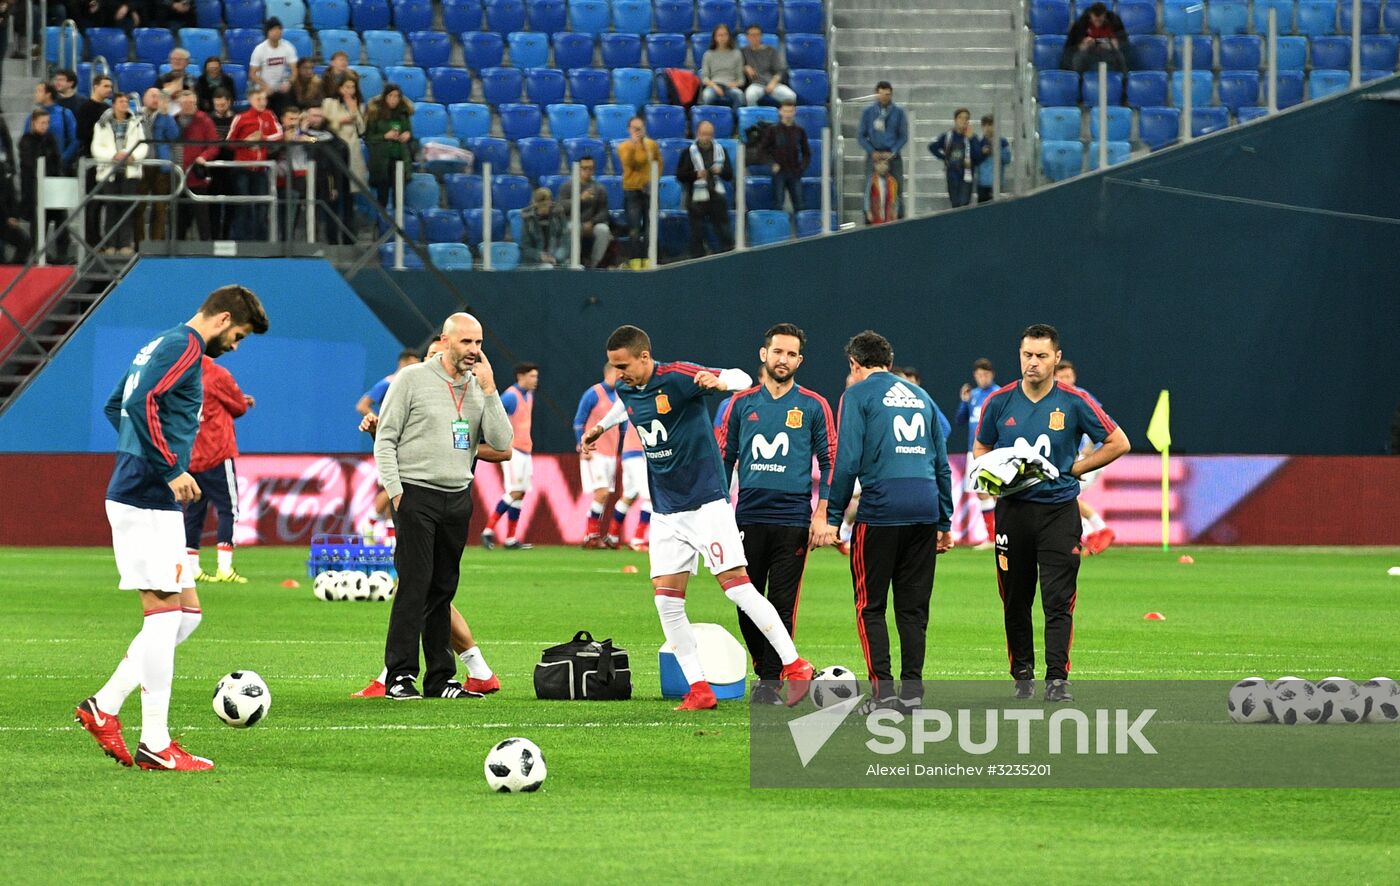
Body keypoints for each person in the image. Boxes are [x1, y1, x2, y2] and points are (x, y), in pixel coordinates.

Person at [75, 285, 269, 772]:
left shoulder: (161, 343)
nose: (236, 346)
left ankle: (104, 705)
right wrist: (167, 466)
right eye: (239, 336)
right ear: (223, 319)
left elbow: (115, 402)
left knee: (186, 615)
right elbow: (139, 402)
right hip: (145, 494)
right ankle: (156, 744)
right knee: (163, 616)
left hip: (148, 493)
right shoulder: (185, 345)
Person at [581, 325, 816, 711]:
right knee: (666, 602)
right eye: (612, 366)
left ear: (645, 357)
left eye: (623, 364)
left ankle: (795, 664)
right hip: (666, 510)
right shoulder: (626, 386)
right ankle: (699, 689)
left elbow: (739, 378)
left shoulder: (677, 376)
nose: (617, 373)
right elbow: (624, 405)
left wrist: (718, 381)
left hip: (706, 501)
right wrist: (600, 428)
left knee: (738, 588)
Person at [973, 324, 1130, 702]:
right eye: (1027, 355)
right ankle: (1022, 674)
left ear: (1056, 358)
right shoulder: (999, 402)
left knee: (1058, 599)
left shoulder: (1075, 402)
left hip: (1059, 512)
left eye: (1042, 356)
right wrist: (995, 473)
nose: (1033, 363)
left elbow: (1119, 442)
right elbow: (980, 449)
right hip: (1013, 512)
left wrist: (1078, 468)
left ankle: (1057, 678)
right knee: (1015, 598)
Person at [373, 313, 512, 700]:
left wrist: (491, 390)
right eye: (467, 342)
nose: (474, 351)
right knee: (414, 587)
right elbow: (385, 440)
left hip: (458, 497)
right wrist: (396, 492)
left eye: (479, 343)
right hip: (416, 494)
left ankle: (440, 679)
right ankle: (399, 676)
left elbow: (502, 442)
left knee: (443, 590)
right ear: (445, 341)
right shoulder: (411, 379)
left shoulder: (478, 387)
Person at [825, 330, 954, 709]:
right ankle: (912, 694)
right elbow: (942, 465)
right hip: (925, 509)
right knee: (913, 609)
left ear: (854, 364)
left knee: (870, 606)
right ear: (890, 362)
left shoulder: (857, 394)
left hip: (882, 510)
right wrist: (944, 522)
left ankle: (883, 696)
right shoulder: (922, 397)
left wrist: (834, 517)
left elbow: (847, 459)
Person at [717, 323, 834, 704]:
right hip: (748, 515)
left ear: (799, 360)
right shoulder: (741, 404)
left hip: (793, 520)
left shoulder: (814, 405)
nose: (783, 359)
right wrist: (717, 513)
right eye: (777, 352)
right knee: (744, 599)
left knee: (782, 602)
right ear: (763, 354)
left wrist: (822, 514)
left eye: (791, 354)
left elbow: (830, 461)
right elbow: (725, 459)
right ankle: (766, 667)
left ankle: (769, 682)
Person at [183, 354, 254, 583]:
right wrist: (242, 401)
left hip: (191, 454)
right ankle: (225, 568)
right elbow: (239, 407)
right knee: (228, 510)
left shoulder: (182, 376)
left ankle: (192, 568)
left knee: (194, 511)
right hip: (216, 452)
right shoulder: (217, 374)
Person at [1054, 360, 1116, 555]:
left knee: (1064, 494)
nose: (1065, 380)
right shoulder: (1057, 398)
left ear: (1074, 377)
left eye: (1068, 376)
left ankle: (1098, 531)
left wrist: (1089, 447)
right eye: (1061, 376)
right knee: (1065, 497)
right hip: (1075, 457)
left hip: (1090, 457)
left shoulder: (1082, 396)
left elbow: (1100, 421)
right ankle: (1089, 535)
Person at [482, 363, 539, 550]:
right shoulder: (510, 396)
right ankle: (488, 531)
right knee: (514, 491)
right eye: (532, 376)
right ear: (520, 376)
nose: (535, 380)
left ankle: (510, 538)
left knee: (520, 493)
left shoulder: (528, 395)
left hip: (525, 450)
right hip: (513, 451)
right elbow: (495, 417)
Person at [89, 92, 147, 254]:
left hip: (130, 172)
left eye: (126, 102)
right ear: (113, 104)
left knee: (127, 209)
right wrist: (113, 156)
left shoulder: (136, 123)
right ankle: (111, 244)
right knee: (111, 208)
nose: (124, 104)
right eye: (121, 102)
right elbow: (96, 148)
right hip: (109, 172)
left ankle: (125, 244)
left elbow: (143, 145)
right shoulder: (101, 124)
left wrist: (132, 155)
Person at [573, 364, 623, 548]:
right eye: (618, 373)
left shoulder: (620, 396)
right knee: (601, 492)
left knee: (605, 495)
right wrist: (581, 444)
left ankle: (594, 534)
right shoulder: (593, 393)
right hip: (594, 451)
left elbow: (622, 427)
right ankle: (590, 535)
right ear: (610, 373)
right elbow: (579, 421)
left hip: (611, 453)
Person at [227, 85, 283, 241]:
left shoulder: (269, 115)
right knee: (243, 205)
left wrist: (263, 139)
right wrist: (246, 142)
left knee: (262, 206)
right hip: (242, 168)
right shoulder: (241, 118)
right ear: (250, 100)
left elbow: (279, 134)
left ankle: (261, 242)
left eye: (264, 99)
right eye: (259, 99)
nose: (262, 102)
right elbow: (229, 143)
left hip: (260, 169)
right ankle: (240, 241)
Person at [955, 357, 999, 548]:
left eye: (986, 374)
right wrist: (964, 402)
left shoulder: (998, 394)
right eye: (979, 374)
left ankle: (1003, 535)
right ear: (975, 376)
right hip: (974, 451)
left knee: (998, 492)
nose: (983, 378)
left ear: (992, 374)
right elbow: (960, 420)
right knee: (982, 493)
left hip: (994, 450)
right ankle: (991, 537)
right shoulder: (972, 395)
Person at [674, 119, 733, 259]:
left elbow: (729, 175)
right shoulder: (687, 152)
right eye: (704, 134)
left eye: (709, 134)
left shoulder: (721, 151)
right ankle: (697, 261)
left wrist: (721, 171)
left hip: (717, 197)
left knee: (724, 231)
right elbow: (680, 176)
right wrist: (696, 175)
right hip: (695, 199)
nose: (706, 137)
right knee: (697, 233)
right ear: (697, 133)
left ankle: (729, 258)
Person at [171, 90, 219, 242]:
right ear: (179, 104)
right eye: (184, 103)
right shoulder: (173, 120)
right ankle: (176, 252)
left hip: (196, 177)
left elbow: (214, 145)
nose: (188, 105)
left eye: (191, 102)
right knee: (178, 219)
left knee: (202, 218)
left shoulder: (205, 120)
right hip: (177, 176)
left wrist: (203, 157)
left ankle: (206, 252)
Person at [857, 83, 908, 220]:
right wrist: (871, 151)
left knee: (897, 187)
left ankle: (899, 220)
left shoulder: (899, 112)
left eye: (887, 94)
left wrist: (893, 151)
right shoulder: (868, 112)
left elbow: (903, 136)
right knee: (869, 187)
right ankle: (868, 220)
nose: (884, 97)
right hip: (873, 155)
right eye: (881, 94)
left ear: (891, 95)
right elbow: (861, 136)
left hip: (892, 155)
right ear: (876, 94)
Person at [137, 87, 180, 245]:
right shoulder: (135, 116)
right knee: (138, 207)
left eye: (159, 97)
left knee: (160, 207)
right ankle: (139, 244)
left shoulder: (166, 117)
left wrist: (165, 115)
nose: (156, 99)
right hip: (141, 165)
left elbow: (174, 136)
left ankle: (157, 244)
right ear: (144, 99)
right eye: (152, 96)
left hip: (161, 166)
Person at [616, 115, 659, 269]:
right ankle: (635, 259)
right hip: (632, 190)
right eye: (635, 128)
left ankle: (648, 258)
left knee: (649, 226)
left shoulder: (651, 145)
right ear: (629, 130)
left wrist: (653, 180)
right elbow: (629, 163)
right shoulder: (624, 147)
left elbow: (658, 163)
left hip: (648, 191)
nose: (638, 131)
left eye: (640, 128)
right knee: (634, 227)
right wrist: (634, 145)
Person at [555, 154, 612, 268]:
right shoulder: (567, 186)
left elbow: (603, 212)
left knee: (603, 230)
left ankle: (594, 263)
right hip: (571, 222)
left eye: (590, 168)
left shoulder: (599, 188)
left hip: (591, 223)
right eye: (584, 168)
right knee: (573, 227)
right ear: (578, 169)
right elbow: (560, 207)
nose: (587, 171)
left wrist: (592, 222)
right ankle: (571, 260)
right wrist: (579, 199)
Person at [364, 83, 413, 208]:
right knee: (383, 196)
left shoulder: (404, 113)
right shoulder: (375, 114)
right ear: (385, 97)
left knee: (399, 197)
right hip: (382, 160)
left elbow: (409, 133)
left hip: (400, 159)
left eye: (397, 96)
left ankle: (398, 224)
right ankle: (382, 222)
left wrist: (408, 135)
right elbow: (369, 138)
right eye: (391, 96)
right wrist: (384, 136)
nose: (394, 99)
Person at [760, 101, 810, 216]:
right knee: (778, 204)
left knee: (799, 205)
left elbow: (806, 153)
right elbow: (762, 151)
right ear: (780, 112)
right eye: (785, 111)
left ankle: (803, 232)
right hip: (779, 172)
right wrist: (772, 164)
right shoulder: (772, 130)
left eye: (790, 111)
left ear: (794, 112)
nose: (788, 114)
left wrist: (802, 168)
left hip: (795, 171)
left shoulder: (800, 131)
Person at [321, 75, 368, 195]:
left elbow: (361, 130)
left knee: (349, 185)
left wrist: (354, 111)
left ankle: (349, 212)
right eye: (347, 87)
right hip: (334, 144)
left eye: (353, 87)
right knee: (333, 184)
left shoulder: (359, 105)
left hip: (352, 146)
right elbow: (324, 126)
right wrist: (340, 121)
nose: (350, 90)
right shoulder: (328, 103)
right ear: (340, 88)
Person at [929, 108, 980, 210]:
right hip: (952, 175)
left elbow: (978, 156)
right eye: (960, 118)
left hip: (966, 175)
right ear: (955, 120)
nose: (963, 121)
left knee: (964, 203)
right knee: (955, 204)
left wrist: (971, 139)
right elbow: (932, 147)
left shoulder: (972, 137)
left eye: (966, 118)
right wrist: (944, 158)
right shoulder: (948, 136)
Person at [1062, 2, 1129, 75]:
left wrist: (1115, 45)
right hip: (1089, 53)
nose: (1097, 23)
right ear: (1090, 15)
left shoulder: (1114, 22)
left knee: (1120, 56)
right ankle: (1078, 81)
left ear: (1104, 16)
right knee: (1078, 58)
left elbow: (1123, 41)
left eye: (1100, 21)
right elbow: (1070, 46)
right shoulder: (1080, 24)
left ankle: (1124, 80)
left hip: (1108, 52)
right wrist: (1081, 46)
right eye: (1095, 20)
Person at [18, 109, 59, 227]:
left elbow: (56, 159)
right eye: (42, 123)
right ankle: (36, 245)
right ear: (34, 123)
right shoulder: (26, 140)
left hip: (50, 184)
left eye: (47, 123)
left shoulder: (50, 139)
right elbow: (30, 163)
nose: (45, 126)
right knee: (37, 222)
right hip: (33, 187)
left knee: (58, 217)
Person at [250, 17, 297, 116]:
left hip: (281, 88)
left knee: (286, 112)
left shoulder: (288, 47)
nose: (277, 32)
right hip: (264, 89)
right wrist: (265, 86)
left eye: (279, 29)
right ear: (267, 32)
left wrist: (289, 83)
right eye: (273, 29)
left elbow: (294, 71)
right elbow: (252, 74)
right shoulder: (259, 49)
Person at [616, 418, 652, 551]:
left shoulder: (633, 403)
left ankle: (612, 537)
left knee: (628, 496)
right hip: (639, 455)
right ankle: (638, 540)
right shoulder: (650, 403)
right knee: (651, 497)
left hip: (627, 454)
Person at [28, 82, 78, 174]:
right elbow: (26, 138)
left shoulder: (65, 114)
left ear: (48, 94)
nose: (36, 94)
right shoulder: (32, 116)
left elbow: (75, 140)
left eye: (39, 91)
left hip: (60, 168)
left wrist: (62, 158)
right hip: (36, 169)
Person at [741, 24, 796, 107]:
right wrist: (744, 67)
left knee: (791, 96)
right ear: (747, 37)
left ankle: (782, 118)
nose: (754, 38)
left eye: (757, 35)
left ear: (761, 36)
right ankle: (755, 118)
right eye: (751, 35)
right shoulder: (743, 52)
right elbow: (735, 67)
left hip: (772, 83)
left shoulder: (771, 51)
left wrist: (773, 83)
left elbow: (780, 71)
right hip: (756, 84)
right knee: (750, 96)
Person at [206, 89, 236, 238]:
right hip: (213, 167)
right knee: (213, 205)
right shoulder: (207, 120)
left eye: (223, 104)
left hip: (233, 167)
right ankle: (214, 236)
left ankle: (227, 235)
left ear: (229, 103)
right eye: (217, 104)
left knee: (232, 205)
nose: (220, 106)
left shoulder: (237, 119)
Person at [699, 23, 745, 115]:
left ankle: (732, 121)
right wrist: (714, 86)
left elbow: (741, 79)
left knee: (739, 95)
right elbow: (704, 78)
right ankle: (709, 119)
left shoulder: (737, 54)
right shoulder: (708, 54)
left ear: (729, 36)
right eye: (720, 35)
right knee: (707, 96)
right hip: (714, 85)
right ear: (715, 37)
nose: (722, 38)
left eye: (725, 35)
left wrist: (735, 84)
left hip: (730, 86)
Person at [519, 186, 566, 266]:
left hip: (557, 257)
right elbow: (525, 247)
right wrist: (540, 256)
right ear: (535, 204)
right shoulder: (528, 219)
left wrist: (557, 256)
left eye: (547, 203)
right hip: (535, 261)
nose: (544, 207)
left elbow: (565, 239)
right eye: (541, 204)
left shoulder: (558, 215)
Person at [974, 114, 1011, 204]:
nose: (987, 128)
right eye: (985, 125)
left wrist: (997, 149)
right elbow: (975, 162)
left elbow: (1007, 159)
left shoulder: (1002, 142)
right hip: (982, 183)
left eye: (990, 125)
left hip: (997, 183)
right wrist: (982, 153)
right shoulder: (979, 143)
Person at [864, 156, 898, 225]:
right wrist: (868, 211)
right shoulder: (872, 180)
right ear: (875, 165)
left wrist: (895, 210)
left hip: (888, 213)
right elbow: (867, 196)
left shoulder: (892, 181)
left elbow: (895, 198)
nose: (882, 166)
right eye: (879, 164)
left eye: (885, 164)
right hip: (875, 212)